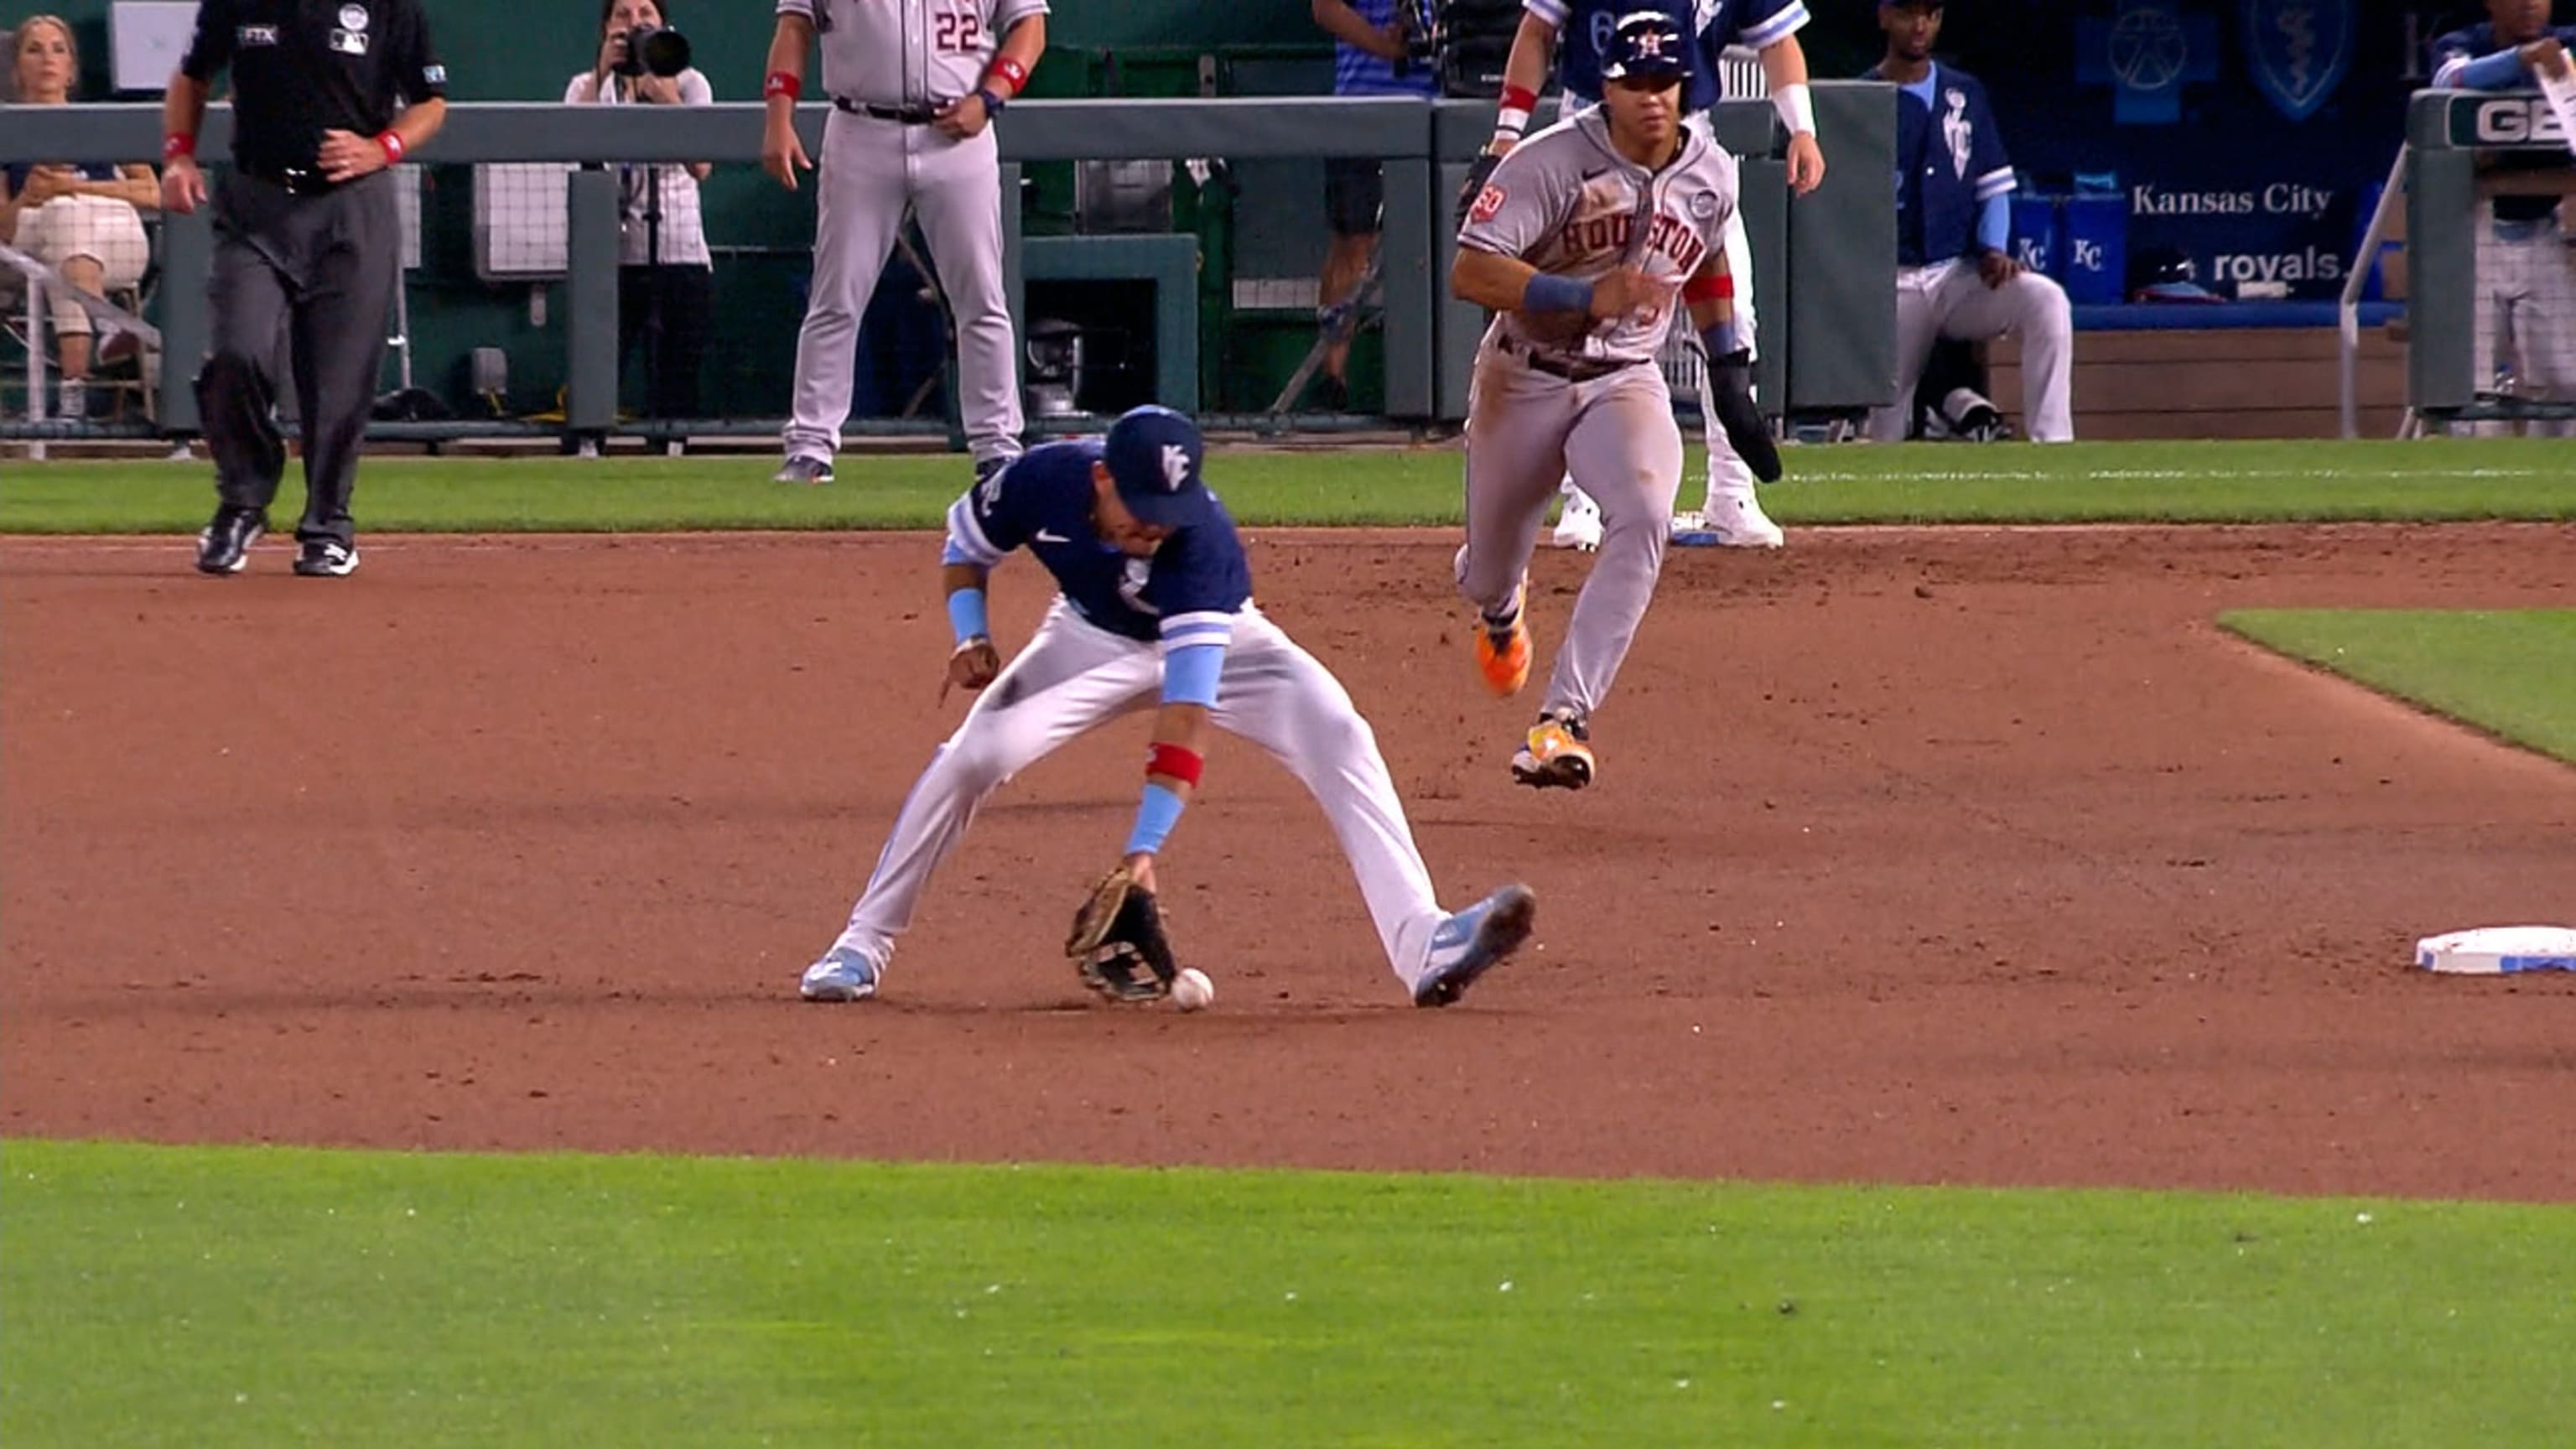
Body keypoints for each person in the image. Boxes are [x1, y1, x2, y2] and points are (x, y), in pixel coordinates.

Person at [798, 405, 1539, 1008]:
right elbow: (968, 543)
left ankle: (1425, 942)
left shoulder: (1202, 547)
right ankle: (862, 944)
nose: (1153, 527)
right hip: (1086, 636)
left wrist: (1143, 852)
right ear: (1100, 477)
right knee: (976, 756)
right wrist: (971, 634)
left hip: (1222, 638)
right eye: (1140, 508)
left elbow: (1185, 713)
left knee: (1337, 730)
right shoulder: (1042, 480)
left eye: (1167, 512)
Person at [1449, 11, 1779, 792]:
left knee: (1643, 514)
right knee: (1488, 574)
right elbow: (1470, 271)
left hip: (1623, 379)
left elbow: (1701, 262)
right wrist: (1579, 294)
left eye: (1667, 82)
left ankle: (1564, 719)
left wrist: (1728, 365)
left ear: (1687, 85)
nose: (1653, 98)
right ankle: (1502, 609)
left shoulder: (1711, 172)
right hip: (1523, 375)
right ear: (1606, 84)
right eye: (1636, 83)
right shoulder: (1550, 162)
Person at [1462, 0, 1820, 552]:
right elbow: (1536, 32)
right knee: (1583, 319)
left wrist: (1803, 129)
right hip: (1588, 139)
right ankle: (1581, 499)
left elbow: (1777, 40)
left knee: (1735, 317)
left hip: (1689, 142)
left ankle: (1731, 492)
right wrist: (1508, 133)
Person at [164, 0, 448, 577]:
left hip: (351, 209)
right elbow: (193, 74)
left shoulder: (391, 6)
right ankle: (243, 498)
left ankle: (328, 525)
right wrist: (179, 157)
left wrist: (383, 148)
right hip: (257, 204)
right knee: (235, 352)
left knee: (337, 383)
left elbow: (431, 102)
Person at [761, 0, 1045, 486]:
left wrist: (992, 96)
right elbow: (794, 28)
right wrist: (777, 118)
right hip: (860, 129)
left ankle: (997, 445)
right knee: (835, 297)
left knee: (980, 297)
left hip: (959, 135)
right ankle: (810, 444)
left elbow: (1029, 27)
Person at [1861, 0, 2071, 445]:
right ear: (1884, 16)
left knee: (2045, 300)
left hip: (1956, 276)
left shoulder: (1964, 92)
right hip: (1892, 284)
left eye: (1931, 14)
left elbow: (1992, 185)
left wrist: (1994, 249)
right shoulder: (1860, 98)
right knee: (1885, 426)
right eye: (1907, 12)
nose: (1920, 25)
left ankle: (2053, 444)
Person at [1, 17, 158, 423]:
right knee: (62, 221)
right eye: (34, 50)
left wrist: (75, 187)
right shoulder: (6, 132)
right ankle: (106, 329)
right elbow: (3, 232)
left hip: (117, 237)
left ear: (72, 68)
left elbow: (154, 194)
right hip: (32, 242)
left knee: (67, 217)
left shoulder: (107, 123)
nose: (47, 59)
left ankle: (76, 396)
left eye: (58, 49)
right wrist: (28, 197)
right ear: (17, 70)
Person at [565, 0, 715, 423]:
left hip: (680, 251)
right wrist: (602, 75)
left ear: (662, 24)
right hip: (609, 257)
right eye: (623, 15)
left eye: (644, 14)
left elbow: (701, 165)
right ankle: (588, 446)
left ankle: (672, 450)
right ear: (606, 29)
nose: (635, 24)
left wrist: (666, 100)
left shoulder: (690, 83)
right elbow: (577, 155)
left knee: (677, 376)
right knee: (597, 363)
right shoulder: (585, 87)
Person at [2432, 0, 2576, 439]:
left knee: (2565, 382)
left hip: (2543, 231)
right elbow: (2447, 79)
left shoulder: (2566, 44)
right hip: (2471, 234)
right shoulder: (2462, 42)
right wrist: (2520, 60)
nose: (2531, 4)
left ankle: (2546, 493)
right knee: (2469, 389)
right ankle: (2466, 494)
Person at [1306, 0, 1437, 412]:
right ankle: (1332, 380)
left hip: (1441, 109)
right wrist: (1386, 46)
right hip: (1362, 111)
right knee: (1352, 243)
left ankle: (1451, 385)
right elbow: (1325, 8)